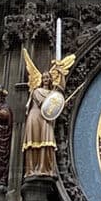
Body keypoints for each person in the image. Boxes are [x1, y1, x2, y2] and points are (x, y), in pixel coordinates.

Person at [22, 49, 76, 177]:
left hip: (47, 119)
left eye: (48, 77)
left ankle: (45, 168)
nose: (46, 79)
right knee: (34, 142)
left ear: (51, 79)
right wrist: (56, 98)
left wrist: (61, 74)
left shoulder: (53, 93)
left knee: (47, 142)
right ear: (41, 79)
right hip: (36, 117)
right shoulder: (37, 91)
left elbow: (60, 93)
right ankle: (31, 169)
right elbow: (45, 105)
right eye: (44, 77)